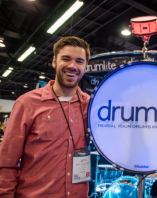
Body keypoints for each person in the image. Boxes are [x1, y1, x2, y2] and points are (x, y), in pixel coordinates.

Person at [0, 36, 91, 198]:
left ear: (85, 66)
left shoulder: (91, 106)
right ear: (54, 61)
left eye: (79, 61)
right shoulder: (28, 103)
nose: (72, 66)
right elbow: (7, 162)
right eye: (66, 59)